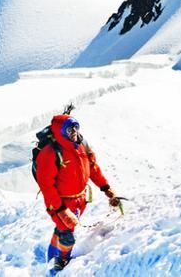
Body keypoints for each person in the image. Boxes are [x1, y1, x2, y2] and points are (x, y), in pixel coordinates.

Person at [35, 114, 121, 273]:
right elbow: (47, 186)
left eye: (76, 127)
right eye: (69, 129)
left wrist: (106, 188)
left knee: (62, 230)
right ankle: (61, 263)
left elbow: (93, 169)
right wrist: (61, 210)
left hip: (79, 200)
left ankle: (52, 254)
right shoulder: (50, 153)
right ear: (60, 132)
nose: (74, 131)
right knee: (68, 234)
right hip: (59, 202)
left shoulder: (82, 145)